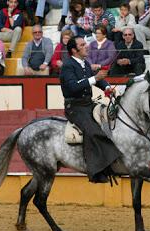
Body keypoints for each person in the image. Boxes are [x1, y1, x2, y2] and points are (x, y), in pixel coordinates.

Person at [60, 36, 121, 183]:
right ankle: (97, 170)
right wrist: (96, 78)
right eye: (82, 45)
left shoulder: (84, 63)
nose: (86, 46)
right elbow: (73, 86)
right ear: (74, 50)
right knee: (93, 131)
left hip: (88, 104)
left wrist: (106, 87)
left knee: (111, 118)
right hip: (75, 107)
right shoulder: (68, 66)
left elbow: (96, 79)